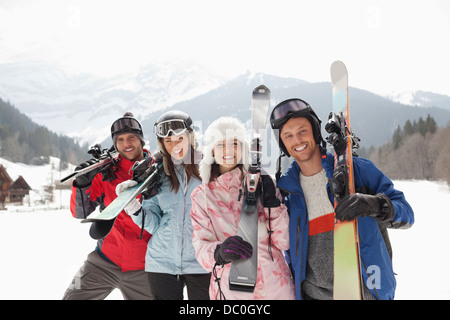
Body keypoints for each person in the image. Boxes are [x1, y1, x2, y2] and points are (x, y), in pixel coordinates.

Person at [270, 98, 415, 300]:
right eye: (288, 136)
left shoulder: (356, 171)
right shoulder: (285, 195)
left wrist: (374, 205)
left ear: (315, 131)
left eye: (302, 131)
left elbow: (407, 214)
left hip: (367, 293)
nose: (297, 140)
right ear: (283, 144)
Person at [189, 117, 295, 300]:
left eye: (235, 143)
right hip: (232, 291)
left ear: (244, 148)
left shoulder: (262, 183)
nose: (229, 150)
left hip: (275, 287)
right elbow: (201, 247)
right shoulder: (202, 197)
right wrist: (219, 252)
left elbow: (285, 241)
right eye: (221, 144)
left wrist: (274, 206)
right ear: (212, 151)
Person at [118, 110, 210, 300]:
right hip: (161, 263)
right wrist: (133, 208)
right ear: (162, 144)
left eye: (179, 139)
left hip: (202, 262)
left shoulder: (209, 168)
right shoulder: (157, 174)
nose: (174, 145)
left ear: (190, 137)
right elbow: (153, 223)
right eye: (168, 141)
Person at [63, 112, 154, 300]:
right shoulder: (106, 172)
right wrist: (82, 184)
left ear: (141, 140)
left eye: (132, 138)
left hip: (145, 267)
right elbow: (79, 212)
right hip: (103, 262)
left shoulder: (156, 170)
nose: (126, 144)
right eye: (120, 139)